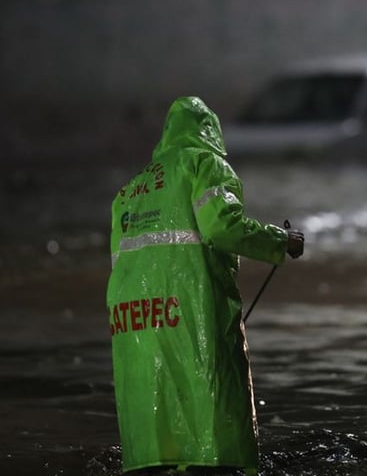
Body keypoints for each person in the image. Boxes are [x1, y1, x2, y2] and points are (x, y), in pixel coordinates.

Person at [106, 96, 304, 475]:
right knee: (213, 403)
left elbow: (122, 263)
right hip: (190, 304)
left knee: (154, 401)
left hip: (133, 317)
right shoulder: (204, 164)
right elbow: (221, 227)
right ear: (210, 133)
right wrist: (282, 241)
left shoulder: (128, 192)